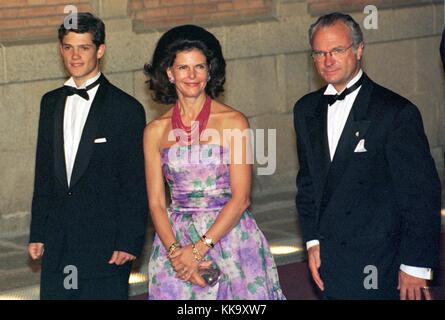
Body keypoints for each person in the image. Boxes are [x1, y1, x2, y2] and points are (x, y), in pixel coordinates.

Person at [293, 12, 441, 300]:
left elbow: (421, 195)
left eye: (337, 50)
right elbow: (308, 184)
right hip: (331, 256)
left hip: (381, 257)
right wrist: (312, 241)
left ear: (359, 50)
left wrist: (415, 266)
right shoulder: (305, 110)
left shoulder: (395, 112)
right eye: (320, 53)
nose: (328, 60)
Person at [143, 24, 285, 300]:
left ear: (210, 71)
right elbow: (156, 203)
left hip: (229, 235)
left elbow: (242, 198)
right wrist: (177, 255)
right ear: (169, 73)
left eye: (199, 67)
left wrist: (199, 249)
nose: (192, 75)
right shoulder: (154, 131)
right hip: (175, 240)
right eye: (183, 68)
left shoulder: (234, 122)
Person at [28, 12, 148, 299]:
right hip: (58, 243)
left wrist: (129, 241)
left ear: (100, 50)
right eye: (68, 47)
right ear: (61, 49)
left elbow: (135, 182)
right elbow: (44, 173)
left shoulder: (125, 108)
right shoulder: (50, 102)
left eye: (84, 47)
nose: (75, 56)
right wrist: (38, 232)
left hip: (106, 246)